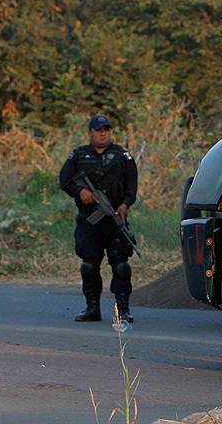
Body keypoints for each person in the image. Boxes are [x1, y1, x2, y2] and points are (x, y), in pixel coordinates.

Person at [59, 115, 139, 323]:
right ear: (90, 132)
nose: (103, 133)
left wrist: (125, 204)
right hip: (90, 219)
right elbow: (64, 180)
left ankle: (123, 310)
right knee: (88, 265)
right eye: (98, 129)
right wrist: (80, 192)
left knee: (121, 265)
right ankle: (92, 308)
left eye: (106, 129)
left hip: (115, 217)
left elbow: (132, 183)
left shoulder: (122, 155)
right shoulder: (78, 155)